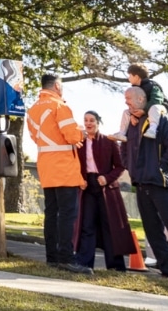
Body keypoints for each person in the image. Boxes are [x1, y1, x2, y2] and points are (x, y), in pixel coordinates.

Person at [122, 85, 168, 282]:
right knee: (152, 230)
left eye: (128, 98)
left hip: (162, 184)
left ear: (140, 99)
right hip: (140, 184)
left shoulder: (163, 120)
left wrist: (161, 169)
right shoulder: (130, 124)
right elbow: (124, 149)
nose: (126, 102)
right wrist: (130, 168)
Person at [26, 73, 91, 274]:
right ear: (56, 86)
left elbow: (37, 138)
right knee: (67, 214)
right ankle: (66, 258)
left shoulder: (32, 110)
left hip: (46, 166)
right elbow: (71, 135)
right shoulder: (60, 106)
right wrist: (81, 133)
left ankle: (52, 258)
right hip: (63, 168)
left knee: (51, 214)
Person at [74, 110, 136, 271]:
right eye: (86, 120)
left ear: (98, 123)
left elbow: (121, 166)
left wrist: (107, 178)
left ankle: (116, 266)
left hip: (106, 188)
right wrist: (80, 180)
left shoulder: (109, 141)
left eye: (92, 120)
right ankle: (84, 264)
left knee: (110, 226)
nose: (88, 123)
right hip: (87, 187)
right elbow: (74, 164)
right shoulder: (79, 143)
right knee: (87, 226)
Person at [115, 63, 168, 140]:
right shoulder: (135, 89)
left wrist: (144, 111)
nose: (128, 78)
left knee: (154, 107)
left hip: (160, 108)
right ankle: (122, 133)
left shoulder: (152, 85)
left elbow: (156, 100)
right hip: (146, 110)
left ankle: (153, 129)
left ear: (136, 77)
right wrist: (133, 115)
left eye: (130, 76)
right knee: (126, 112)